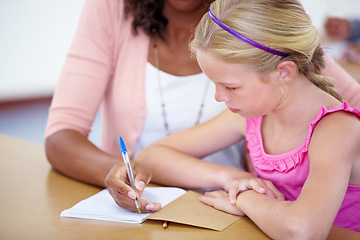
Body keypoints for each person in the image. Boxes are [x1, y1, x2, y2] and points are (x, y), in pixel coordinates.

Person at [45, 0, 360, 214]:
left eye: (231, 87)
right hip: (166, 202)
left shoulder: (253, 16)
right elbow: (62, 135)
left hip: (238, 211)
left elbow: (323, 83)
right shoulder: (111, 10)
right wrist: (116, 172)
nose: (219, 97)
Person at [134, 0, 360, 238]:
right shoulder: (256, 117)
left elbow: (302, 230)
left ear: (283, 72)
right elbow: (151, 157)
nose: (218, 96)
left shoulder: (337, 130)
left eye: (230, 87)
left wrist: (244, 198)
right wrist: (232, 178)